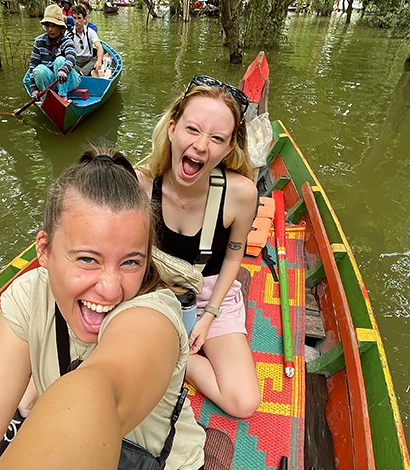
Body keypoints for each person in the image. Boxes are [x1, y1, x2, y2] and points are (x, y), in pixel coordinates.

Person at [0, 149, 206, 470]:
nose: (110, 288)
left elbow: (100, 391)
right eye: (87, 259)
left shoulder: (153, 315)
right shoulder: (27, 296)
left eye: (130, 262)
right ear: (45, 250)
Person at [137, 76, 261, 419]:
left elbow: (234, 256)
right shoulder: (139, 181)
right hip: (152, 287)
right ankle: (173, 346)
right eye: (193, 130)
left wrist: (209, 316)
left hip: (208, 294)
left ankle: (180, 355)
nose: (202, 146)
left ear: (228, 149)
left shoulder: (241, 193)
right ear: (173, 129)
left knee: (244, 401)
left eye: (217, 138)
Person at [28, 5, 80, 102]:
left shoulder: (66, 40)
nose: (50, 29)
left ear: (60, 27)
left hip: (69, 81)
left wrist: (63, 70)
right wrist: (34, 89)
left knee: (59, 60)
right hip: (51, 81)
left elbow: (71, 57)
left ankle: (63, 96)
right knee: (38, 69)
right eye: (48, 25)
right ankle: (45, 98)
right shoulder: (39, 41)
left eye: (53, 25)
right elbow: (32, 66)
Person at [70, 4, 103, 77]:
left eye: (79, 18)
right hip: (75, 61)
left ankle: (80, 73)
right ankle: (83, 73)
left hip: (88, 61)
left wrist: (99, 61)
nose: (76, 21)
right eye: (74, 18)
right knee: (63, 60)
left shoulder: (91, 32)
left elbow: (99, 47)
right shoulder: (69, 33)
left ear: (84, 19)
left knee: (99, 57)